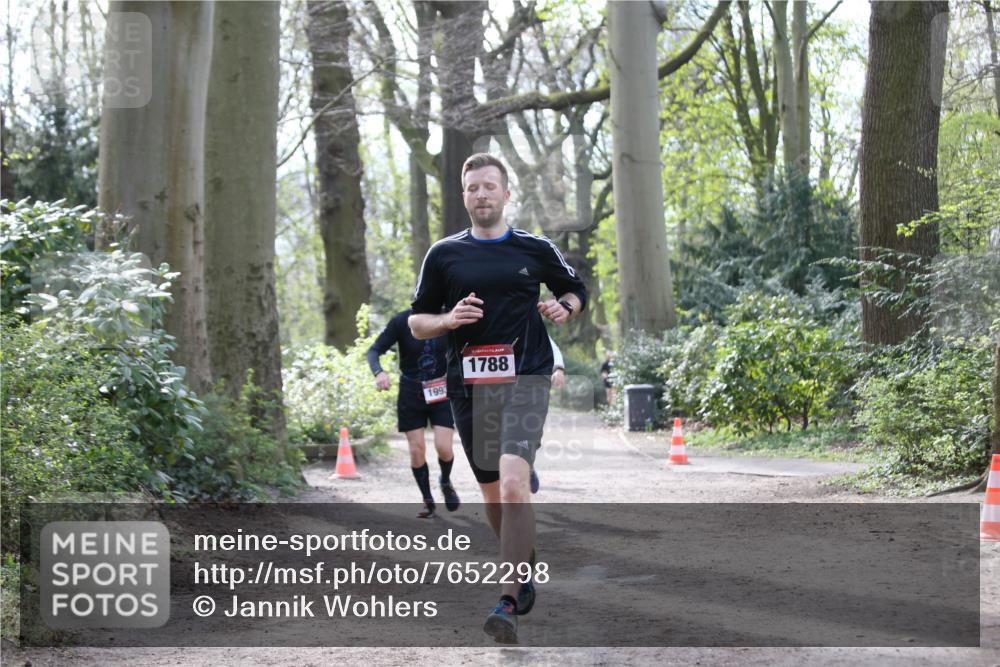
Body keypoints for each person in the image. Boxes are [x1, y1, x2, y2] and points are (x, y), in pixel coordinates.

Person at [409, 153, 587, 644]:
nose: (481, 194)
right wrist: (448, 320)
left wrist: (563, 307)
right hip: (469, 386)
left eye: (490, 186)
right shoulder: (444, 255)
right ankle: (521, 560)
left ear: (507, 195)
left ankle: (506, 599)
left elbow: (574, 290)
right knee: (491, 491)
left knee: (513, 484)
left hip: (526, 377)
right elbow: (416, 322)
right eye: (473, 188)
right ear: (464, 197)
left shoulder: (534, 248)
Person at [366, 309, 459, 518]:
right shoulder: (402, 320)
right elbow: (374, 351)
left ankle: (445, 480)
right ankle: (427, 499)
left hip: (441, 390)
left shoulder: (448, 317)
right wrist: (379, 372)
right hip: (411, 390)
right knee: (416, 449)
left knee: (444, 447)